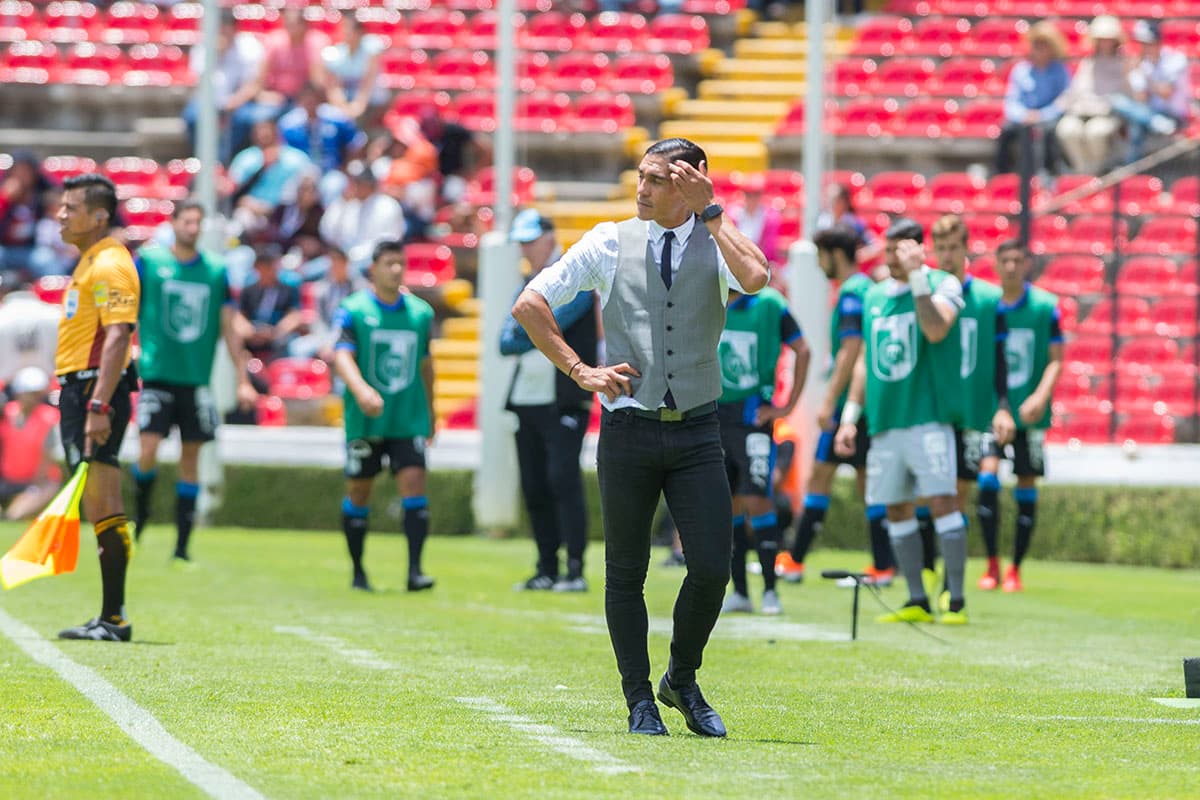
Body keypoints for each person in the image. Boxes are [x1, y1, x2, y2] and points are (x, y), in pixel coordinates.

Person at [512, 138, 770, 738]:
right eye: (642, 176)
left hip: (699, 428)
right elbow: (529, 304)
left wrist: (714, 212)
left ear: (691, 181)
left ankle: (681, 678)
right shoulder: (608, 239)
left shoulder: (716, 236)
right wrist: (583, 372)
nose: (643, 189)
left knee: (711, 568)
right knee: (625, 574)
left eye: (657, 179)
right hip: (628, 428)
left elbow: (756, 278)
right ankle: (638, 701)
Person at [834, 218, 970, 625]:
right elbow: (865, 362)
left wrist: (917, 279)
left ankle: (956, 600)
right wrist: (850, 416)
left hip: (927, 418)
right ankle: (916, 599)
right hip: (885, 422)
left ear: (916, 249)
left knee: (943, 501)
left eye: (898, 250)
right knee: (895, 508)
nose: (890, 258)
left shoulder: (943, 284)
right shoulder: (874, 296)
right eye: (887, 250)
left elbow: (935, 330)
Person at [130, 200, 257, 563]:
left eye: (197, 222)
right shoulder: (151, 263)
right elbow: (128, 311)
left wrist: (241, 378)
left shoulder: (216, 270)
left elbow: (229, 327)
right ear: (173, 223)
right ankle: (141, 515)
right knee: (147, 450)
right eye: (187, 221)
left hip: (194, 380)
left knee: (191, 459)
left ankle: (182, 544)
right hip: (156, 377)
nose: (192, 228)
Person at [52, 173, 140, 642]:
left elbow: (119, 336)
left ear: (99, 215)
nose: (61, 214)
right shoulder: (90, 262)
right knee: (97, 501)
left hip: (94, 391)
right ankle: (110, 615)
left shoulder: (110, 263)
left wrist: (100, 403)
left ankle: (114, 618)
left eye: (71, 207)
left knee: (105, 499)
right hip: (82, 389)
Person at [784, 224, 893, 586]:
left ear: (834, 254)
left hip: (852, 404)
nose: (818, 264)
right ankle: (881, 565)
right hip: (868, 404)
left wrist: (831, 401)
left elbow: (851, 350)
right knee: (862, 483)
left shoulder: (851, 294)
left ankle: (798, 561)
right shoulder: (865, 290)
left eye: (821, 256)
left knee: (827, 477)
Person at [500, 209, 598, 593]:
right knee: (535, 484)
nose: (526, 249)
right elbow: (505, 342)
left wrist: (531, 325)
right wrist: (537, 327)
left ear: (549, 238)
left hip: (564, 397)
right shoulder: (529, 284)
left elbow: (533, 327)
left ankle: (574, 569)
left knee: (563, 479)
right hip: (528, 397)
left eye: (530, 240)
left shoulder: (574, 277)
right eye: (521, 242)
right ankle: (546, 567)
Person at [332, 239, 436, 593]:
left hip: (407, 418)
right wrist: (362, 391)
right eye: (389, 263)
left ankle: (415, 571)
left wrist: (432, 414)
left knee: (414, 484)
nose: (396, 270)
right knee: (360, 491)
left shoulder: (421, 313)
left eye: (400, 263)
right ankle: (358, 572)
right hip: (366, 421)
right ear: (373, 269)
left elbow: (425, 365)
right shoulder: (353, 310)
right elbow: (341, 356)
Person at [930, 215, 1016, 605]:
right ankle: (933, 569)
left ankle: (951, 581)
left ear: (966, 250)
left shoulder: (989, 299)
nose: (947, 256)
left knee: (959, 492)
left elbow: (1000, 359)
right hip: (931, 408)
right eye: (941, 248)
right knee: (931, 494)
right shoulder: (925, 293)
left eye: (953, 248)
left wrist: (1002, 407)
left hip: (971, 411)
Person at [717, 283, 808, 616]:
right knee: (727, 505)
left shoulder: (770, 304)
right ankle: (740, 591)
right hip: (713, 418)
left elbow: (803, 349)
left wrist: (785, 408)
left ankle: (770, 590)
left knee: (757, 497)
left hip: (753, 418)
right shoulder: (706, 295)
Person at [987, 240, 1063, 592]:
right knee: (986, 478)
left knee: (1026, 484)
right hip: (991, 412)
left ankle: (1015, 569)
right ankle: (991, 566)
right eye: (1006, 261)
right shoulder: (987, 306)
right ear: (997, 264)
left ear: (1027, 264)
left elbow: (1056, 358)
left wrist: (1039, 395)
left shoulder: (1046, 307)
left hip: (1030, 413)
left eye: (1018, 260)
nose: (1012, 267)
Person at [183, 9, 264, 164]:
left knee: (243, 120)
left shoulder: (249, 47)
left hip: (240, 102)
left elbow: (253, 84)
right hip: (209, 101)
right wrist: (217, 54)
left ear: (234, 29)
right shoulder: (203, 48)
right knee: (192, 116)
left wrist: (235, 101)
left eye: (225, 28)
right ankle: (205, 162)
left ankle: (228, 163)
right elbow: (199, 82)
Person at [1054, 15, 1132, 174]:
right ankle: (1082, 171)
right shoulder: (1088, 62)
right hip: (1081, 111)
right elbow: (1075, 90)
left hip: (1109, 114)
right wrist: (1058, 106)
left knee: (1096, 132)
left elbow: (1126, 94)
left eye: (1108, 39)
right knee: (1066, 129)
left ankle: (1094, 173)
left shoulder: (1124, 63)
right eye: (1101, 39)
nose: (1104, 43)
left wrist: (1105, 105)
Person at [995, 21, 1070, 176]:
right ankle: (1002, 174)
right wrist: (1024, 115)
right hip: (1024, 117)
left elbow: (1064, 100)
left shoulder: (1060, 71)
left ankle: (1049, 174)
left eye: (1045, 45)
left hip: (1049, 117)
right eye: (1037, 44)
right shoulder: (1021, 70)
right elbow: (1012, 101)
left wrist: (1041, 115)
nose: (1040, 49)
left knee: (1049, 131)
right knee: (1005, 130)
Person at [1113, 20, 1190, 164]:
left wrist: (1143, 74)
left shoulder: (1175, 59)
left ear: (1158, 41)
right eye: (1142, 43)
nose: (1144, 47)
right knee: (1119, 103)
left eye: (1148, 42)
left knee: (1138, 120)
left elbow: (1166, 92)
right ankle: (1132, 170)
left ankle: (1131, 165)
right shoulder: (1144, 65)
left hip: (1175, 116)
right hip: (1153, 116)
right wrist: (1130, 72)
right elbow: (1140, 99)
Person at [319, 160, 407, 272]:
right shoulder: (348, 204)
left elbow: (387, 243)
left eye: (358, 182)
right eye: (352, 182)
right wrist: (342, 204)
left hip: (373, 263)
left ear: (369, 184)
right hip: (343, 260)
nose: (353, 186)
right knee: (306, 273)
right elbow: (328, 234)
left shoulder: (388, 205)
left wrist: (352, 256)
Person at [0, 366, 60, 520]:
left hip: (40, 483)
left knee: (15, 515)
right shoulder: (6, 413)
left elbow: (48, 456)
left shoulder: (49, 417)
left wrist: (34, 486)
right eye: (31, 393)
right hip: (8, 482)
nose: (35, 398)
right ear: (19, 392)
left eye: (37, 394)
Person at [278, 82, 366, 175]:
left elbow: (356, 143)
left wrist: (345, 167)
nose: (310, 104)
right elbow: (284, 152)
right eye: (307, 101)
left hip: (332, 170)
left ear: (320, 100)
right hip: (299, 172)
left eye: (313, 100)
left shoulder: (337, 118)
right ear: (300, 101)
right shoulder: (289, 124)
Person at [236, 246, 305, 363]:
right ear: (257, 268)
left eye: (271, 266)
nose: (269, 270)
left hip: (278, 337)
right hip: (253, 335)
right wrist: (250, 332)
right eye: (264, 266)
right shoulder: (249, 290)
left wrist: (276, 332)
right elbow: (240, 316)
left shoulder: (288, 289)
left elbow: (294, 316)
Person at [322, 12, 386, 120]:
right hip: (346, 103)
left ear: (360, 32)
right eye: (344, 28)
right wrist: (342, 107)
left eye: (349, 28)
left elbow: (368, 82)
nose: (346, 32)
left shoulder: (371, 46)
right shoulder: (337, 52)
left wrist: (358, 106)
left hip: (372, 102)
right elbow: (334, 86)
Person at [0, 281, 61, 384]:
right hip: (51, 384)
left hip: (6, 387)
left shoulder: (2, 315)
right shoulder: (55, 313)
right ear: (29, 289)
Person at [727, 174, 783, 267]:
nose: (752, 198)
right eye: (749, 194)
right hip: (737, 261)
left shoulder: (770, 218)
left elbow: (769, 248)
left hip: (762, 262)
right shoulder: (733, 214)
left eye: (756, 194)